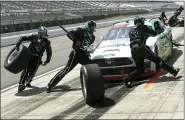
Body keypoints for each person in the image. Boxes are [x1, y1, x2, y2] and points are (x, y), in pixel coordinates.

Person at [123, 17, 180, 88]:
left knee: (139, 69)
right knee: (158, 61)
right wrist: (160, 30)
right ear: (142, 22)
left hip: (133, 50)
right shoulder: (144, 28)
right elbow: (155, 33)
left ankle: (127, 79)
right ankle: (173, 71)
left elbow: (137, 34)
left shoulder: (131, 31)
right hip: (141, 48)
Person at [46, 20, 96, 93]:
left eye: (93, 26)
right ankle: (50, 85)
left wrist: (87, 50)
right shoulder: (80, 31)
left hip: (83, 55)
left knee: (93, 67)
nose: (93, 28)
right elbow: (69, 34)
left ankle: (96, 82)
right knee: (66, 70)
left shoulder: (93, 37)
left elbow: (87, 46)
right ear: (88, 26)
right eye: (91, 26)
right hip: (76, 53)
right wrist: (75, 40)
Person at [16, 26, 52, 93]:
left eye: (45, 32)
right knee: (26, 70)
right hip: (29, 56)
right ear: (41, 33)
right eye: (44, 32)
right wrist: (18, 43)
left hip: (37, 59)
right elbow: (23, 38)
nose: (46, 34)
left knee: (32, 72)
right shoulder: (34, 36)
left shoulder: (47, 42)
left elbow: (49, 51)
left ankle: (28, 81)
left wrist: (48, 60)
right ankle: (21, 84)